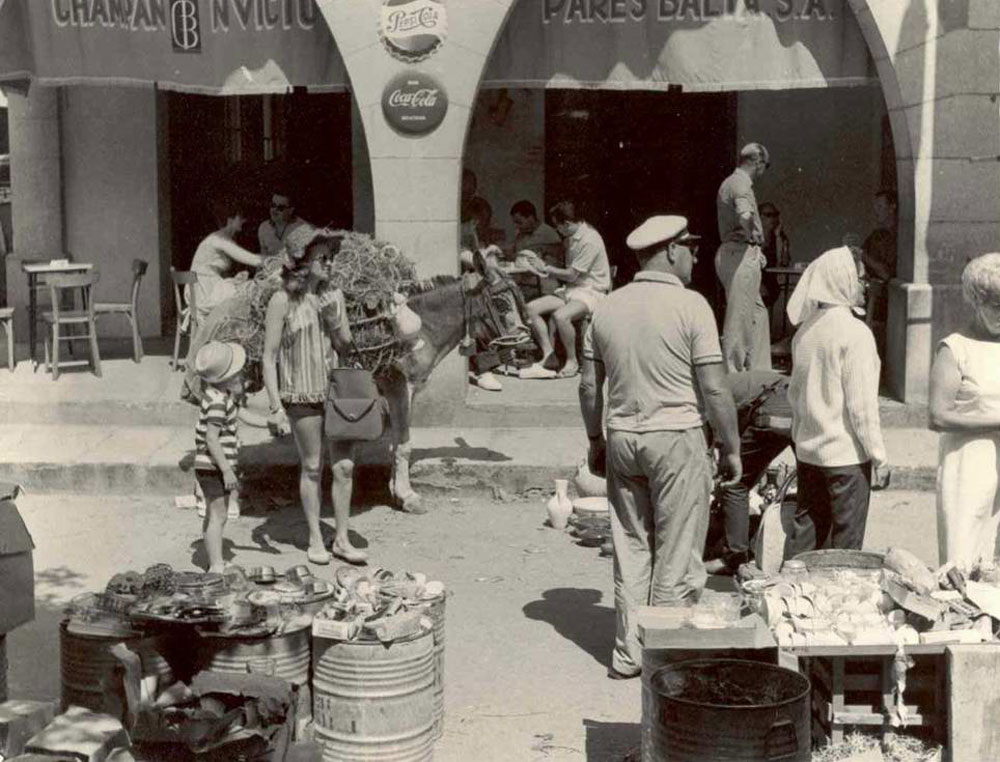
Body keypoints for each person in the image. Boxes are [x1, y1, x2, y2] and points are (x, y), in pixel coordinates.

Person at [579, 215, 741, 679]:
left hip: (624, 437)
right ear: (670, 251)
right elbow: (714, 390)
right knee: (677, 550)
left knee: (631, 546)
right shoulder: (693, 306)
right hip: (676, 438)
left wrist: (595, 437)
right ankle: (664, 656)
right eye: (689, 247)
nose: (693, 256)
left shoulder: (606, 308)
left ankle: (628, 654)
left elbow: (590, 386)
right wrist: (730, 447)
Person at [262, 224, 368, 566]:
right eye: (323, 257)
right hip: (300, 394)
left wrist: (334, 320)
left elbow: (346, 347)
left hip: (335, 393)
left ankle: (341, 538)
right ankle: (314, 538)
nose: (330, 263)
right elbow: (269, 356)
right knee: (311, 466)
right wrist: (275, 405)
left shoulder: (333, 296)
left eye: (331, 257)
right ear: (302, 261)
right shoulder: (282, 300)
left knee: (345, 467)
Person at [784, 247, 890, 557]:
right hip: (845, 460)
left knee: (804, 543)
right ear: (842, 280)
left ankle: (790, 600)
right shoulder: (856, 334)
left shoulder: (804, 332)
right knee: (844, 553)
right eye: (860, 278)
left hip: (809, 455)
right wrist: (879, 457)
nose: (864, 284)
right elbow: (862, 409)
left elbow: (796, 398)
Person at [929, 253, 1000, 571]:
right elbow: (938, 416)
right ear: (975, 301)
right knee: (964, 559)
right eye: (996, 306)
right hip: (969, 464)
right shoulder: (954, 348)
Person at [705, 370, 793, 575]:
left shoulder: (702, 396)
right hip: (797, 406)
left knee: (735, 483)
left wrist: (721, 479)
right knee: (808, 484)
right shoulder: (722, 380)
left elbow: (718, 444)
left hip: (771, 411)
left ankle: (733, 558)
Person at [524, 201, 612, 379]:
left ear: (568, 223)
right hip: (573, 290)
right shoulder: (572, 236)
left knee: (561, 316)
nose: (558, 231)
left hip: (592, 291)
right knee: (531, 308)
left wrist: (546, 268)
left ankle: (572, 361)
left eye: (558, 227)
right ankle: (550, 356)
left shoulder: (590, 240)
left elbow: (572, 274)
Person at [716, 143, 772, 372]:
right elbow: (744, 214)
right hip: (739, 253)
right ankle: (734, 378)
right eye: (764, 166)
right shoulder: (740, 183)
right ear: (757, 162)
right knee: (739, 319)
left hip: (738, 254)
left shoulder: (733, 182)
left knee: (758, 314)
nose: (763, 171)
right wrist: (754, 235)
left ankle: (759, 373)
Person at [192, 340, 248, 574]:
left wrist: (269, 422)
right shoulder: (217, 403)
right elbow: (212, 439)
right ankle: (216, 564)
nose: (242, 377)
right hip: (213, 467)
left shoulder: (221, 396)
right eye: (237, 374)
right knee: (218, 515)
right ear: (226, 379)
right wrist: (226, 469)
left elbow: (241, 414)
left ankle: (214, 559)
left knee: (216, 514)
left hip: (213, 466)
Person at [189, 199, 264, 324]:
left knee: (245, 288)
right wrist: (279, 258)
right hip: (204, 293)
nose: (244, 221)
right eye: (240, 217)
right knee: (251, 292)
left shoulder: (221, 238)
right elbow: (253, 259)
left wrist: (233, 280)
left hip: (204, 289)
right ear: (230, 219)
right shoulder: (219, 239)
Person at [862, 190, 898, 359]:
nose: (876, 210)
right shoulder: (876, 235)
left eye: (880, 206)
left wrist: (862, 255)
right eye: (875, 206)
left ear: (892, 207)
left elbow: (886, 273)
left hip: (883, 303)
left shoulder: (898, 236)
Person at [509, 199, 563, 298]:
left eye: (519, 222)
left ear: (531, 217)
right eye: (515, 223)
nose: (516, 226)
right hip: (523, 280)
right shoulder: (520, 235)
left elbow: (558, 262)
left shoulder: (548, 234)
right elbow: (516, 254)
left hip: (544, 281)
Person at [758, 202, 789, 309]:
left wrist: (778, 238)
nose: (773, 218)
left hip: (770, 283)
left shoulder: (779, 237)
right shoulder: (754, 236)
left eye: (775, 214)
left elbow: (783, 262)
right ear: (759, 217)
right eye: (768, 215)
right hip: (755, 282)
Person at [258, 189, 306, 258]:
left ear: (291, 210)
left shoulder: (301, 228)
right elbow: (263, 258)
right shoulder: (263, 227)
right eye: (273, 205)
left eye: (280, 208)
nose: (274, 210)